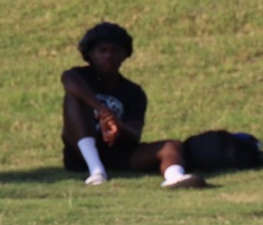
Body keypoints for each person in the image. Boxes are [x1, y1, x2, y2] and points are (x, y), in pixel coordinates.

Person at [60, 22, 203, 189]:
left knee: (171, 145)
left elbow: (135, 133)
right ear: (90, 54)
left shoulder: (134, 92)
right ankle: (96, 171)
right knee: (73, 99)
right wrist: (103, 111)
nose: (108, 56)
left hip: (119, 154)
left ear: (124, 54)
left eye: (115, 51)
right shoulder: (80, 77)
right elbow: (67, 79)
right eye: (102, 51)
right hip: (81, 156)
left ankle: (175, 176)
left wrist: (118, 126)